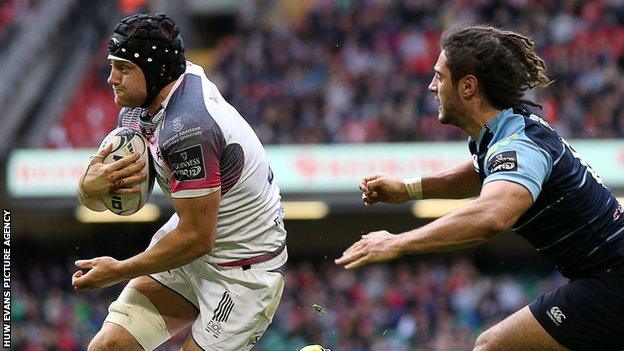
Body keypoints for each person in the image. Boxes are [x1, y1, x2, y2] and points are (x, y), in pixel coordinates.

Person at [336, 25, 624, 351]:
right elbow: (480, 172)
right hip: (604, 276)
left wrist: (398, 243)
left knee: (492, 346)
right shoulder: (504, 131)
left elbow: (491, 215)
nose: (432, 86)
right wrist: (408, 190)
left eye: (440, 77)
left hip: (613, 279)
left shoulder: (517, 146)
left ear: (468, 86)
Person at [73, 13, 287, 351]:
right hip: (189, 248)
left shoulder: (189, 127)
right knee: (107, 347)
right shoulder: (140, 104)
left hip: (241, 272)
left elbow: (198, 239)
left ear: (156, 71)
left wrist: (118, 271)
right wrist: (89, 186)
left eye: (123, 68)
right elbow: (97, 198)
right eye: (112, 65)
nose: (111, 78)